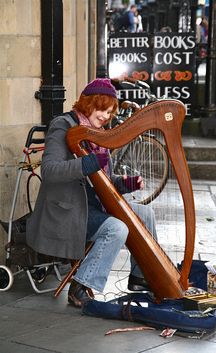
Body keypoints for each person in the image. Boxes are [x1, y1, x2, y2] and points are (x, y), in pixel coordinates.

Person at [26, 78, 157, 308]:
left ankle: (140, 277)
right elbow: (50, 170)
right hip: (67, 211)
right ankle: (80, 286)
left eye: (110, 112)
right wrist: (90, 162)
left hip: (93, 206)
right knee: (116, 228)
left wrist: (127, 183)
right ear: (89, 104)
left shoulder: (98, 135)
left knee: (146, 214)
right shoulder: (63, 125)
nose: (107, 116)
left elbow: (103, 181)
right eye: (103, 109)